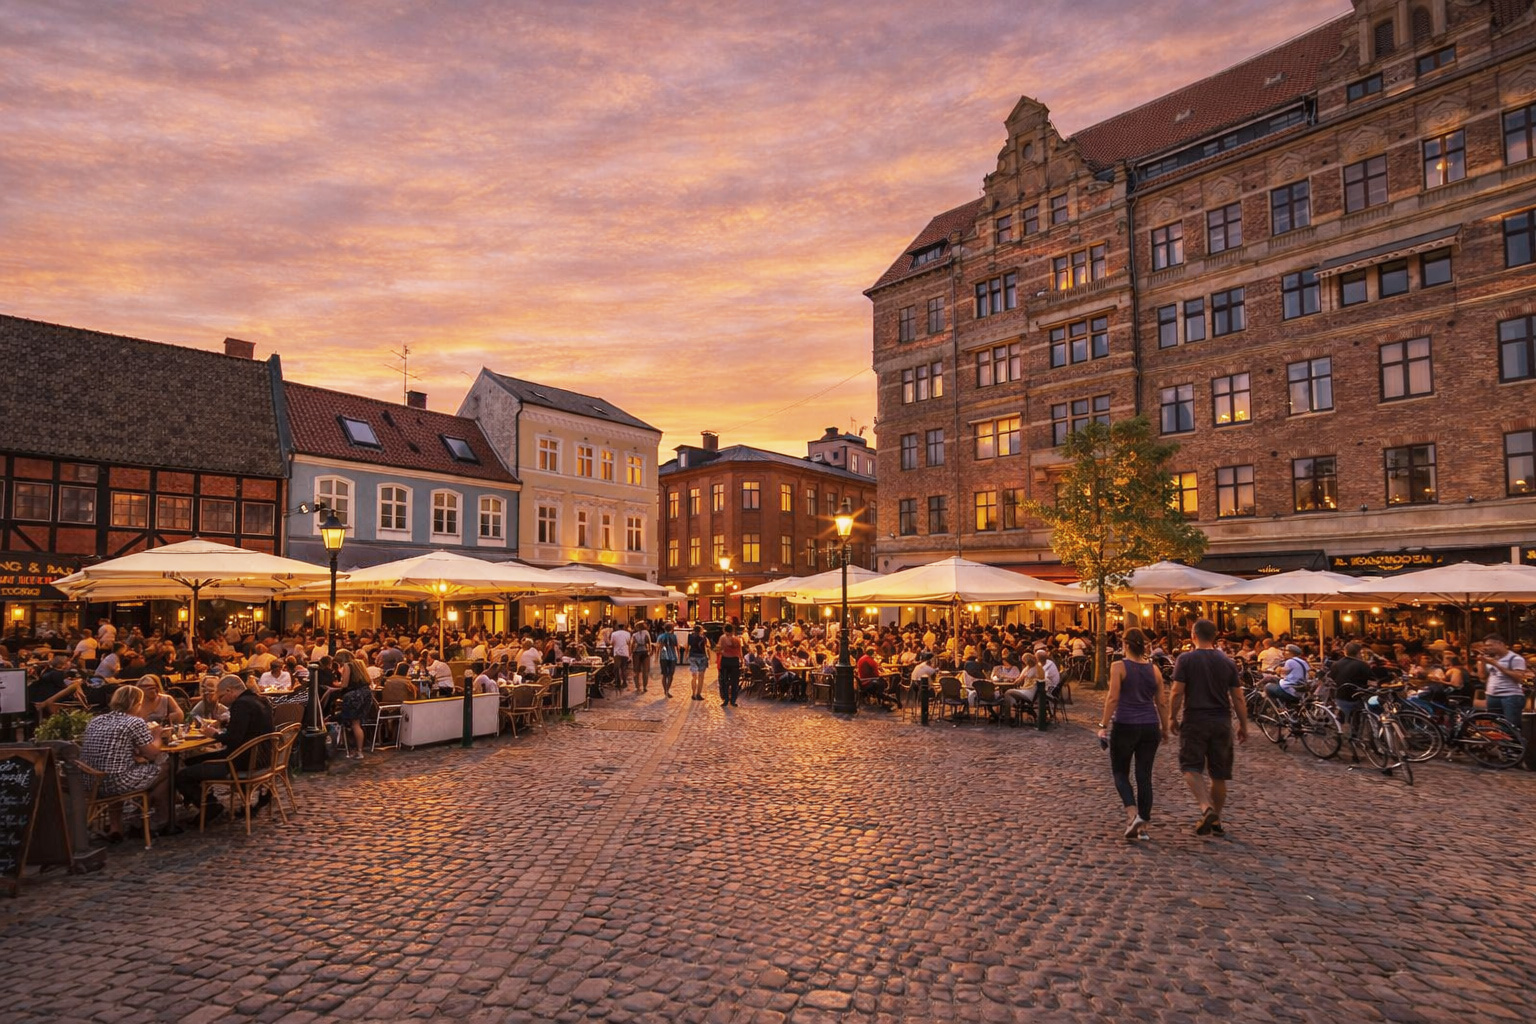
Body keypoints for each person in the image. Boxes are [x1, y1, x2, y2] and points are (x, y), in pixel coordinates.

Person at [1170, 619, 1248, 837]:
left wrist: (1171, 717)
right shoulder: (1227, 662)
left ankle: (1206, 808)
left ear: (1193, 634)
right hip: (1222, 721)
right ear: (1214, 636)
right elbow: (1238, 698)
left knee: (1190, 766)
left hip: (1195, 719)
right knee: (1219, 774)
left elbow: (1177, 691)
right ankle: (1217, 821)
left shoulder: (1186, 659)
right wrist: (1243, 724)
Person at [1097, 628, 1168, 841]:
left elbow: (1113, 698)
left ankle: (1132, 814)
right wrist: (1164, 728)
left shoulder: (1119, 666)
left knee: (1120, 772)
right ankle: (1143, 826)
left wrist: (1103, 724)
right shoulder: (1154, 670)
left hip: (1125, 724)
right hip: (1150, 725)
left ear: (1125, 644)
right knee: (1144, 776)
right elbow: (1161, 702)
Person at [177, 674, 275, 823]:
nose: (220, 700)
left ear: (230, 691)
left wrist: (214, 734)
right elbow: (248, 729)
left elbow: (233, 739)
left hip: (239, 761)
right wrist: (225, 724)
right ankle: (207, 800)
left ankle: (210, 806)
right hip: (262, 757)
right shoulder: (259, 700)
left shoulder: (241, 705)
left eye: (221, 696)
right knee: (192, 761)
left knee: (182, 776)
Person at [79, 684, 170, 841]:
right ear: (136, 703)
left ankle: (117, 827)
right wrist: (157, 736)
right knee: (166, 767)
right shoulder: (134, 722)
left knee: (114, 769)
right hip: (117, 782)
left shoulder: (96, 721)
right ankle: (155, 817)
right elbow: (152, 753)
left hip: (90, 782)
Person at [1473, 634, 1529, 729]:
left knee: (1511, 726)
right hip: (1492, 696)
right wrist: (1481, 661)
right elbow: (1482, 677)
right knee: (1496, 726)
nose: (1487, 648)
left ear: (1500, 644)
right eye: (1486, 646)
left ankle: (1514, 742)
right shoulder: (1490, 658)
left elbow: (1519, 678)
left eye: (1489, 645)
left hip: (1511, 696)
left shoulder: (1515, 658)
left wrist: (1496, 664)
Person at [716, 624, 743, 707]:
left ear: (724, 630)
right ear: (733, 630)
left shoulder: (722, 638)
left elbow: (718, 649)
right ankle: (733, 700)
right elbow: (740, 651)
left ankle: (726, 699)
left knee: (725, 681)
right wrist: (741, 660)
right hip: (734, 661)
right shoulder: (737, 639)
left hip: (725, 661)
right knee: (735, 682)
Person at [686, 625, 710, 701]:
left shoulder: (690, 637)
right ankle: (698, 694)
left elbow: (688, 647)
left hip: (692, 656)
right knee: (701, 676)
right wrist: (708, 657)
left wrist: (687, 655)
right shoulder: (704, 638)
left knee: (694, 676)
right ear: (701, 630)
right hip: (702, 657)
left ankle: (693, 694)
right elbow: (707, 647)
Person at [655, 621, 679, 697]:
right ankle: (667, 690)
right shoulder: (674, 636)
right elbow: (677, 647)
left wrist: (656, 657)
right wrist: (678, 655)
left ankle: (665, 690)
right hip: (672, 657)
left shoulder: (660, 636)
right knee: (671, 675)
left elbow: (658, 648)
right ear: (672, 629)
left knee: (664, 674)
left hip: (663, 657)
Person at [609, 623, 633, 689]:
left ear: (618, 627)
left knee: (616, 668)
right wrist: (630, 654)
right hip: (625, 653)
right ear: (624, 627)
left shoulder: (614, 634)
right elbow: (629, 644)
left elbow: (611, 643)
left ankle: (617, 682)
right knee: (623, 668)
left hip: (617, 653)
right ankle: (624, 682)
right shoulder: (628, 634)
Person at [631, 621, 652, 694]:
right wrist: (650, 651)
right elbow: (649, 642)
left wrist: (631, 653)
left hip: (636, 652)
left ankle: (637, 687)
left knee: (636, 671)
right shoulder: (646, 632)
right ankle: (645, 687)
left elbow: (632, 644)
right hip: (645, 651)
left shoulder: (634, 635)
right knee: (645, 671)